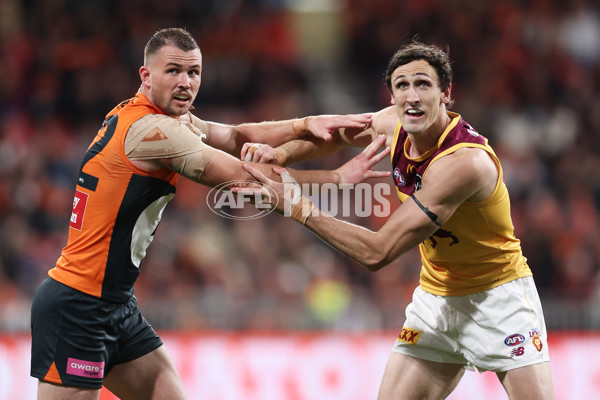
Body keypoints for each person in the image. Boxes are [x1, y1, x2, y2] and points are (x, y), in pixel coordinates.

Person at [29, 27, 388, 400]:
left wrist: (303, 124)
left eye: (194, 72)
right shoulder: (151, 130)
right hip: (79, 304)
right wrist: (335, 177)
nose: (186, 83)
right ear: (146, 76)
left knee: (165, 392)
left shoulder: (161, 118)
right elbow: (242, 175)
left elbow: (236, 137)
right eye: (173, 71)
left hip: (115, 304)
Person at [240, 39, 555, 399]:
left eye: (423, 84)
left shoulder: (464, 164)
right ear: (391, 96)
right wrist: (278, 155)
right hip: (437, 299)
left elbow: (379, 251)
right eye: (402, 85)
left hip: (498, 299)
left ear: (446, 93)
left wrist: (296, 205)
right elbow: (334, 137)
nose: (412, 96)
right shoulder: (393, 124)